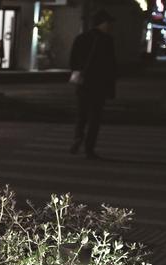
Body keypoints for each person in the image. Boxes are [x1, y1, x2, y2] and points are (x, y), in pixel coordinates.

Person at [69, 10, 117, 159]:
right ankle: (89, 148)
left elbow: (72, 61)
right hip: (99, 84)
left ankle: (78, 136)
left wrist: (78, 72)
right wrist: (111, 88)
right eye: (108, 23)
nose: (110, 26)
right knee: (95, 118)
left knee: (81, 114)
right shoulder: (107, 41)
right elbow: (111, 66)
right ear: (102, 23)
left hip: (83, 83)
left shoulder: (81, 38)